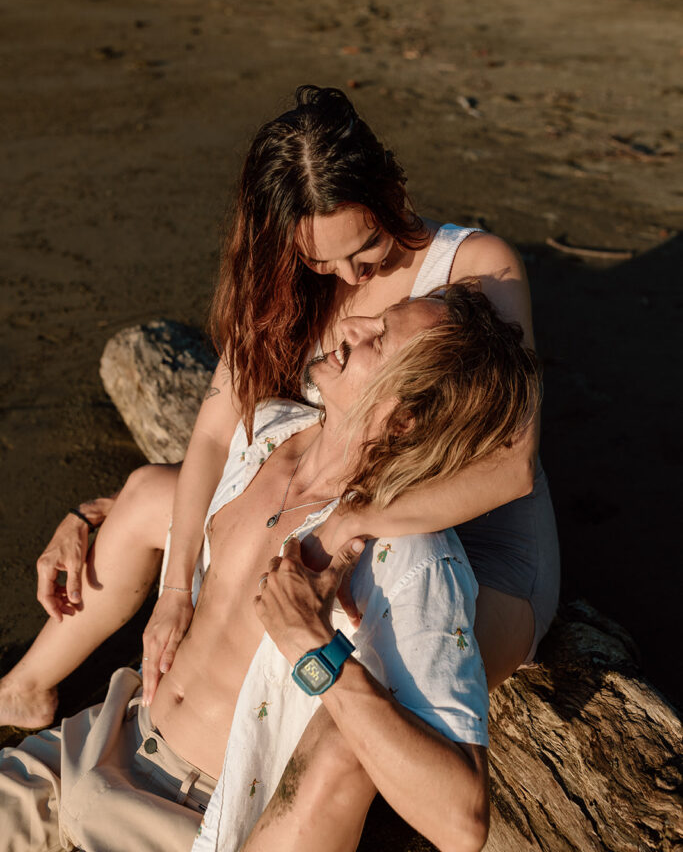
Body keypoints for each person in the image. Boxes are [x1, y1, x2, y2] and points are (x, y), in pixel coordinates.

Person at [0, 86, 559, 730]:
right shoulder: (289, 283)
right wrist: (175, 591)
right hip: (327, 506)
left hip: (472, 552)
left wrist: (351, 523)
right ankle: (25, 688)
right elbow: (212, 437)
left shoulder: (477, 266)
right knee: (150, 493)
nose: (350, 277)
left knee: (333, 667)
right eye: (322, 259)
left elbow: (511, 467)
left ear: (391, 192)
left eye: (368, 245)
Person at [0, 286, 539, 852]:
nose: (351, 326)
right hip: (98, 740)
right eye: (373, 319)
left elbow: (462, 822)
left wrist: (316, 649)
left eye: (379, 339)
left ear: (404, 418)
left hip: (192, 818)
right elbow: (168, 495)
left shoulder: (409, 560)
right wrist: (84, 515)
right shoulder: (272, 433)